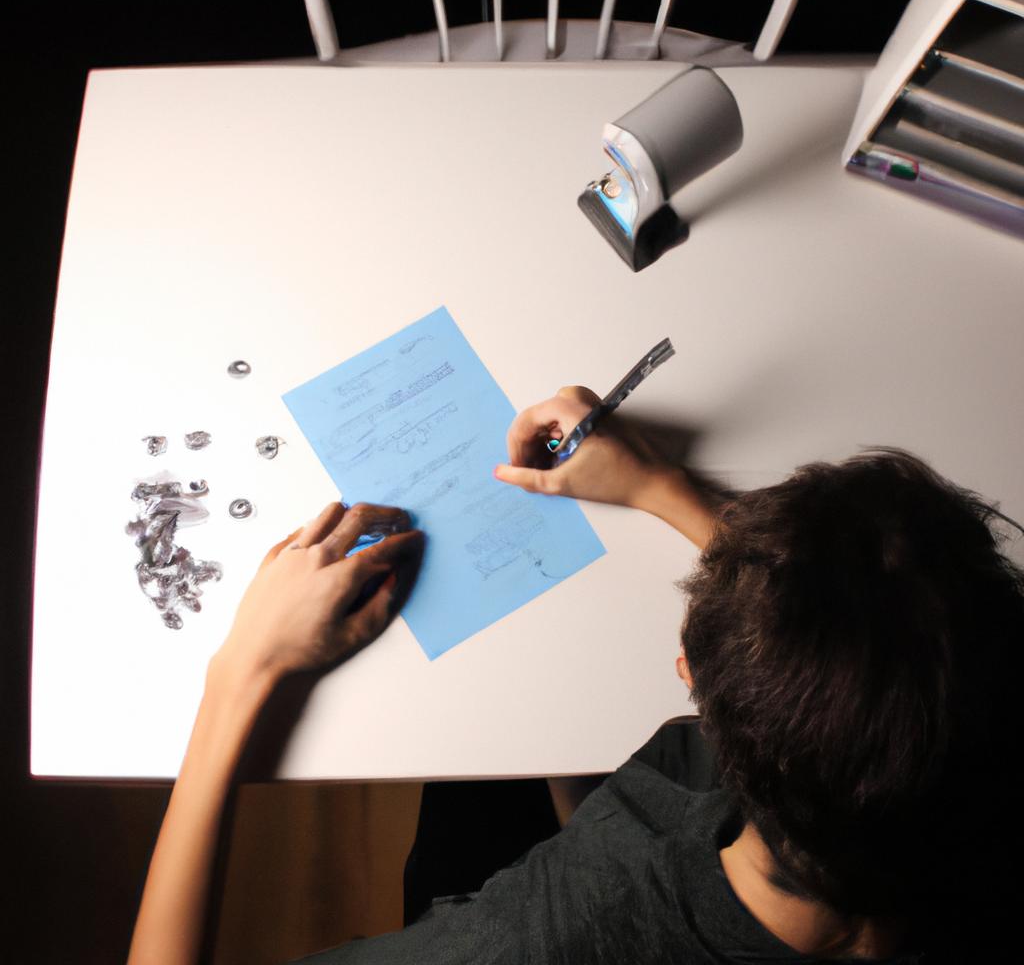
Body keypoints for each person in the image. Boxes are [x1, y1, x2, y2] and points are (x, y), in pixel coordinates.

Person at [127, 386, 1021, 964]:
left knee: (469, 784)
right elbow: (891, 653)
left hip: (544, 880)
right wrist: (661, 487)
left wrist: (241, 671)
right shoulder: (978, 758)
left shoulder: (537, 939)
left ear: (694, 686)